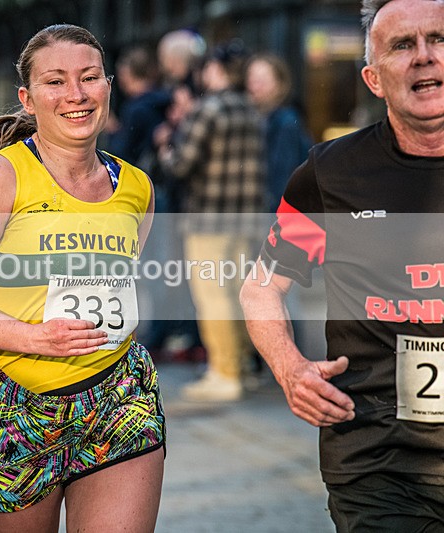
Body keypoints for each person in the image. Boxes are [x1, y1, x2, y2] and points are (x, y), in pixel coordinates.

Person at [0, 24, 165, 532]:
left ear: (108, 86)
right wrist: (37, 338)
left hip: (119, 397)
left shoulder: (137, 186)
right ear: (28, 100)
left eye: (89, 77)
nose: (76, 94)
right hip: (17, 406)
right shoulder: (1, 177)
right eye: (55, 81)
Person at [240, 0, 444, 529]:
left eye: (439, 39)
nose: (425, 56)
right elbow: (261, 286)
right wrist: (289, 368)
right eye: (403, 45)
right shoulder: (331, 174)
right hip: (378, 462)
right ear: (374, 80)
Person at [158, 42, 265, 402]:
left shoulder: (208, 109)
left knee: (213, 296)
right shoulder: (251, 108)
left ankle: (224, 373)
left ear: (215, 71)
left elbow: (181, 164)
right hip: (245, 218)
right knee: (237, 292)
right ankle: (243, 367)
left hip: (208, 219)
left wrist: (165, 148)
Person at [245, 53, 313, 213]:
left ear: (280, 84)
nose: (254, 87)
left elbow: (282, 177)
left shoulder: (286, 121)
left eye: (262, 81)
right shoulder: (257, 117)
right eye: (252, 80)